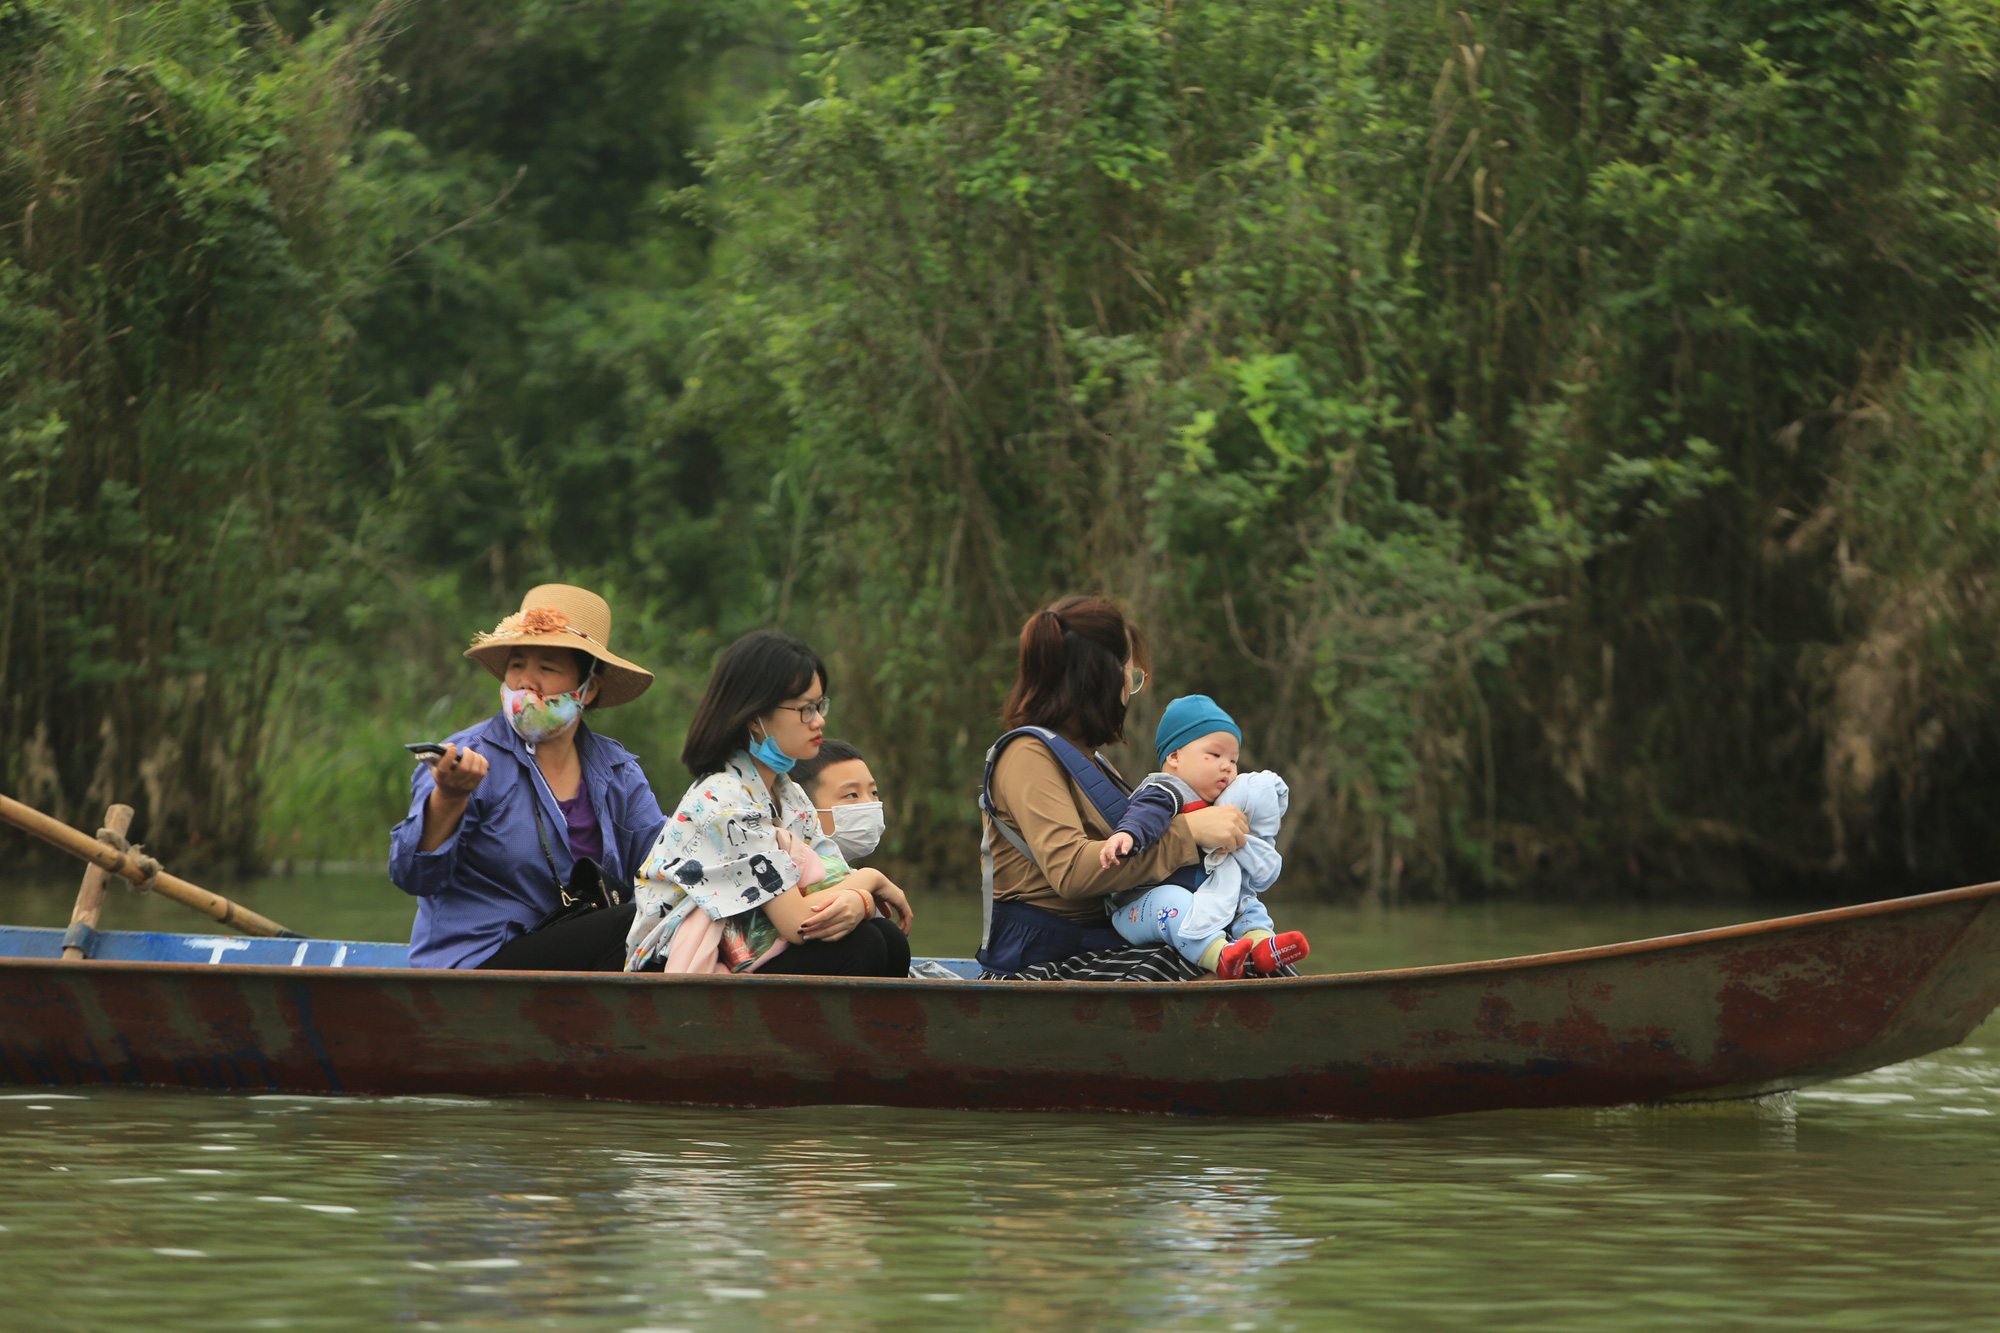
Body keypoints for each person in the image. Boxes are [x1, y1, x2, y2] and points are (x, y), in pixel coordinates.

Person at [390, 585, 667, 970]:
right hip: (481, 962)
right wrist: (449, 798)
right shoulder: (466, 758)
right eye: (517, 665)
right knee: (631, 924)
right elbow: (412, 876)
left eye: (547, 668)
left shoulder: (618, 771)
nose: (526, 682)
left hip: (578, 953)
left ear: (588, 690)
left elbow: (663, 862)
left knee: (667, 919)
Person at [977, 595, 1249, 979]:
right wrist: (1190, 834)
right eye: (1130, 679)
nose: (1128, 696)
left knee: (1243, 957)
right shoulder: (1027, 755)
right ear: (1100, 681)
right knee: (1201, 972)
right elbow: (1071, 872)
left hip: (1096, 945)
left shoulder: (1088, 759)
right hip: (1041, 965)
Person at [626, 632, 913, 977]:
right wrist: (872, 879)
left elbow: (832, 881)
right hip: (681, 962)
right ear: (754, 716)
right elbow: (799, 922)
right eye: (805, 709)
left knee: (888, 939)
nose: (819, 721)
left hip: (751, 943)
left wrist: (860, 898)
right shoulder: (723, 799)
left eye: (820, 706)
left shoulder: (789, 794)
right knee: (863, 944)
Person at [1098, 695, 1310, 978]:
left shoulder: (1220, 804)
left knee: (1245, 899)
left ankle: (1262, 943)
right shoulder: (1165, 790)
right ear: (1174, 756)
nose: (1227, 766)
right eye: (1215, 755)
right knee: (1174, 901)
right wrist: (1128, 835)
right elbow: (1144, 815)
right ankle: (1218, 955)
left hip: (1202, 898)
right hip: (1141, 906)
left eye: (1233, 759)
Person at [791, 739, 886, 863]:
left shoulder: (851, 877)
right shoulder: (789, 878)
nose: (869, 803)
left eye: (873, 793)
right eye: (852, 795)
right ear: (805, 806)